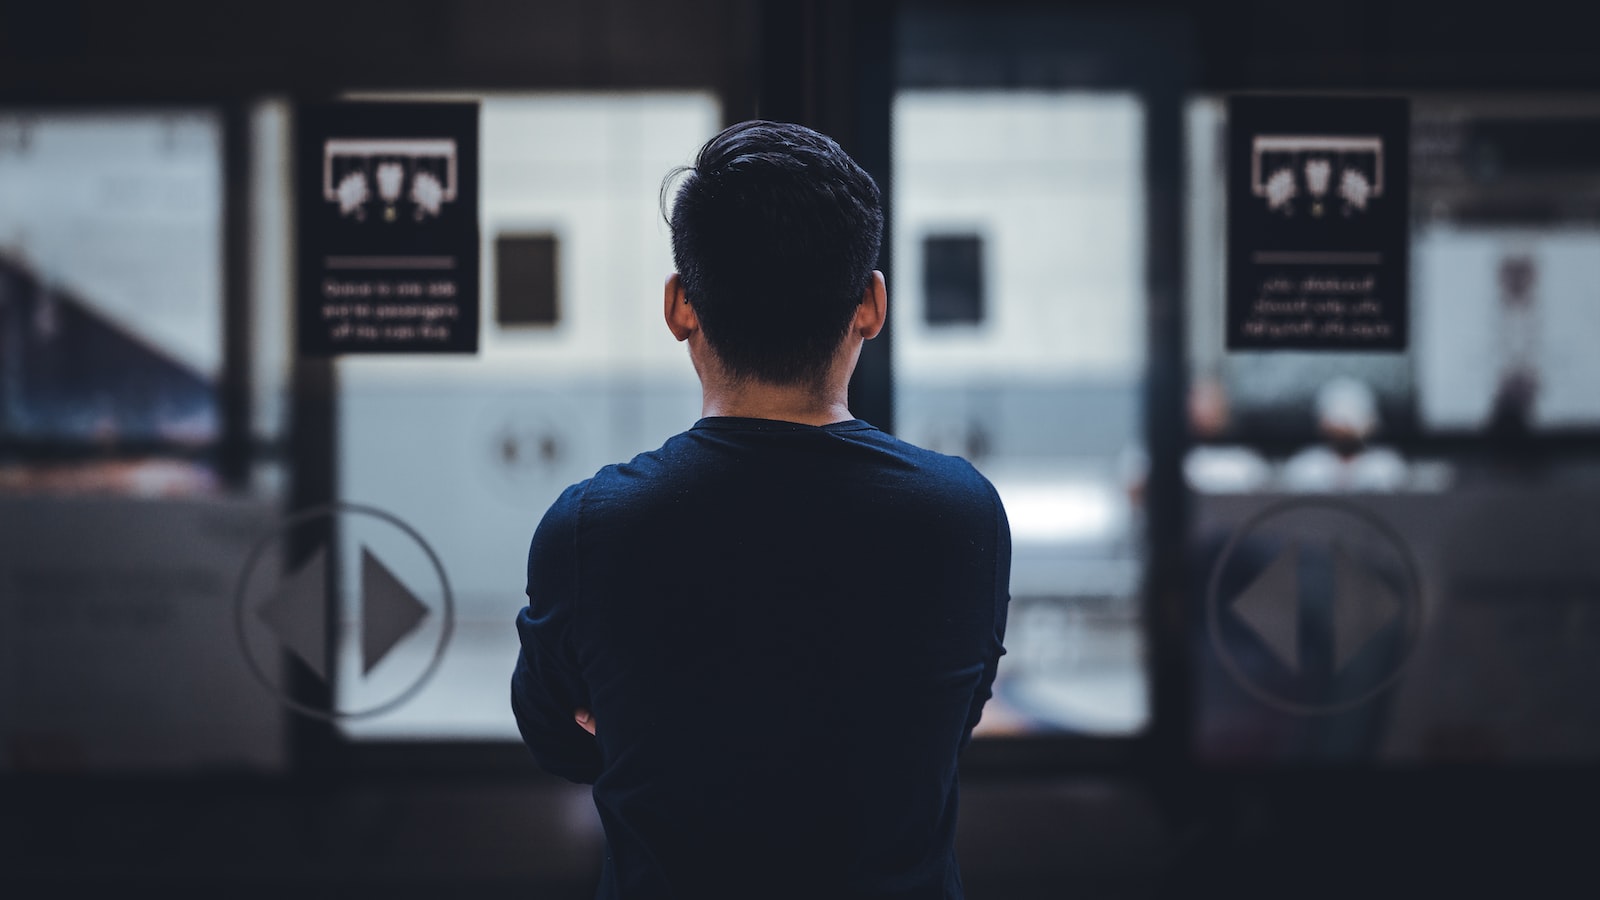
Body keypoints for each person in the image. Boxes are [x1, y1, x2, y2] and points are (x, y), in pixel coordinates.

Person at [510, 120, 1011, 899]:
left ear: (680, 306)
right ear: (872, 305)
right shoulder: (960, 515)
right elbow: (946, 729)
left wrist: (653, 724)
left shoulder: (593, 528)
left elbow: (560, 742)